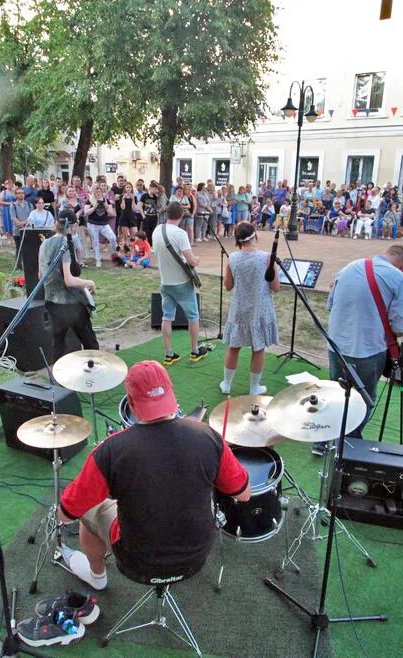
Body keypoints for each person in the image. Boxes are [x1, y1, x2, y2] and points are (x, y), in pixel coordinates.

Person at [55, 360, 250, 599]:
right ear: (171, 393)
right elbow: (244, 493)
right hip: (196, 556)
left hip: (137, 561)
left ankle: (97, 577)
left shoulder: (110, 451)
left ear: (132, 402)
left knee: (88, 510)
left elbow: (65, 514)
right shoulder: (208, 437)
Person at [319, 244, 403, 453]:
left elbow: (329, 305)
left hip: (337, 344)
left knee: (337, 394)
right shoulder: (399, 278)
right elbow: (399, 327)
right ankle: (349, 445)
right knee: (365, 399)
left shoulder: (349, 267)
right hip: (368, 349)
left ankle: (323, 439)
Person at [219, 222, 280, 396]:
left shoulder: (232, 258)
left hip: (239, 308)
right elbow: (275, 287)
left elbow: (228, 286)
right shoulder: (267, 257)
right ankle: (254, 387)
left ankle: (227, 384)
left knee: (234, 346)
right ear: (254, 236)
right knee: (258, 348)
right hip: (260, 309)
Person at [152, 202, 209, 364]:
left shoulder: (157, 230)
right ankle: (194, 351)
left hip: (165, 282)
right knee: (193, 316)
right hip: (182, 283)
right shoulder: (181, 234)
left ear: (166, 214)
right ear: (181, 216)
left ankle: (169, 353)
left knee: (167, 316)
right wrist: (196, 260)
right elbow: (191, 261)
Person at [39, 218, 98, 364]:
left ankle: (58, 381)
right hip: (70, 304)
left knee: (58, 344)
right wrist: (89, 283)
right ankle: (93, 375)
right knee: (90, 342)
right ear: (72, 226)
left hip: (52, 301)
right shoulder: (64, 245)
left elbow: (41, 275)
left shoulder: (44, 244)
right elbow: (69, 280)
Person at [84, 188, 117, 267]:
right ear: (93, 193)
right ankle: (98, 259)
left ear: (102, 192)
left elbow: (111, 213)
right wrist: (94, 207)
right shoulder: (90, 201)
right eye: (96, 192)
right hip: (93, 224)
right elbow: (86, 212)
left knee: (112, 237)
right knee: (95, 242)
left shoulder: (106, 200)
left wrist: (106, 205)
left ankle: (113, 253)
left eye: (99, 191)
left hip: (104, 224)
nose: (98, 193)